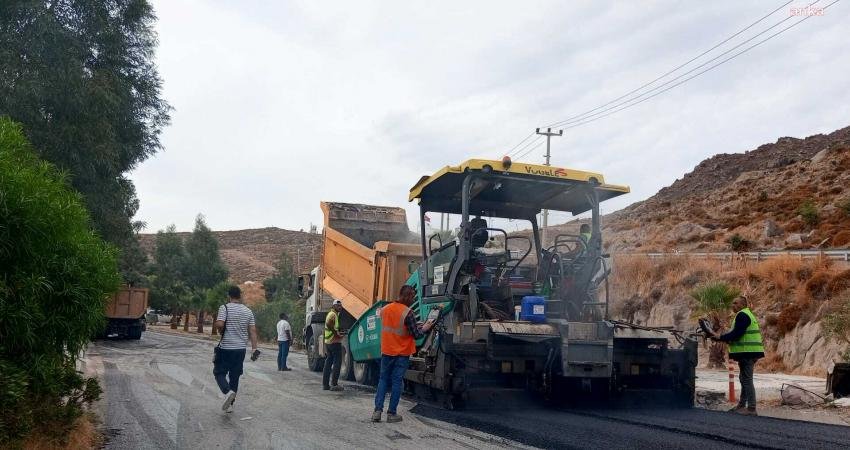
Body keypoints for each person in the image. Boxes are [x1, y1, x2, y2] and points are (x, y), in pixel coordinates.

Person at [372, 285, 435, 423]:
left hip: (387, 351)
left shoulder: (385, 309)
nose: (413, 300)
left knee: (383, 380)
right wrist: (425, 327)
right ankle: (391, 413)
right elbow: (416, 335)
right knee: (396, 382)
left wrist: (414, 325)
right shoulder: (408, 313)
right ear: (407, 296)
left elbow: (395, 326)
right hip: (401, 353)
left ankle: (377, 411)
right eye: (412, 297)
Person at [708, 295, 764, 416]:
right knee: (743, 378)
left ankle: (751, 408)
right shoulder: (746, 314)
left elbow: (736, 334)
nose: (732, 305)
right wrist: (722, 338)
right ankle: (742, 406)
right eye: (733, 303)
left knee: (747, 379)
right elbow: (736, 334)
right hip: (749, 352)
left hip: (748, 352)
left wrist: (720, 337)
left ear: (743, 305)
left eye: (735, 303)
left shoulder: (742, 315)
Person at [214, 286, 259, 413]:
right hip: (240, 349)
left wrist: (218, 326)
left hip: (226, 348)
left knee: (219, 372)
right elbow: (253, 331)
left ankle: (227, 392)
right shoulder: (248, 311)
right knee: (235, 376)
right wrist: (254, 348)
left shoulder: (225, 308)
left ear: (229, 296)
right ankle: (230, 405)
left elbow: (220, 324)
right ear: (240, 296)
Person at [322, 299, 344, 391]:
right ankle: (334, 384)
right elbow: (329, 324)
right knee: (337, 363)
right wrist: (336, 334)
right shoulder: (333, 314)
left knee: (328, 363)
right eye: (338, 306)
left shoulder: (332, 314)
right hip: (334, 342)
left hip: (329, 342)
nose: (340, 307)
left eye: (341, 305)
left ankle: (325, 385)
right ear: (334, 306)